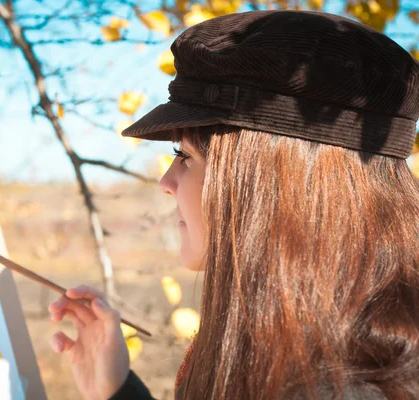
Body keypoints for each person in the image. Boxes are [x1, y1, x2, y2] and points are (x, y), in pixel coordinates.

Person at [48, 10, 419, 400]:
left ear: (270, 187)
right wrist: (117, 391)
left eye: (186, 156)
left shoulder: (332, 386)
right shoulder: (304, 350)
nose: (166, 183)